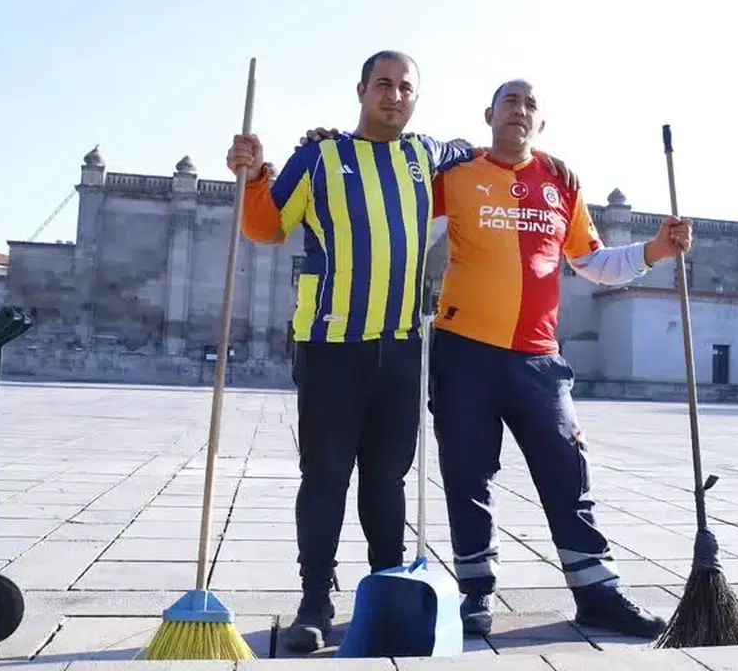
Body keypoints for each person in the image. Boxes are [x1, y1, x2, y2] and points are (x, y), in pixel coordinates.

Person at [225, 51, 578, 654]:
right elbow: (265, 227)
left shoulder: (428, 155)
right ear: (361, 90)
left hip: (402, 348)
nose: (394, 95)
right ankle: (315, 600)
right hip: (332, 344)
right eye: (383, 85)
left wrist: (544, 161)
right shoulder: (318, 157)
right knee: (325, 475)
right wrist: (255, 175)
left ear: (416, 98)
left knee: (387, 480)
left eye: (405, 87)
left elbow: (489, 150)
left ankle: (385, 590)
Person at [428, 79, 693, 638]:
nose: (519, 110)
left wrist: (655, 250)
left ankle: (598, 593)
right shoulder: (454, 174)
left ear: (540, 123)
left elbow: (593, 262)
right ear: (489, 114)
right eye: (510, 101)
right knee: (467, 473)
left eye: (530, 104)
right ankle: (475, 593)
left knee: (568, 472)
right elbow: (400, 226)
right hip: (463, 351)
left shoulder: (560, 183)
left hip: (539, 358)